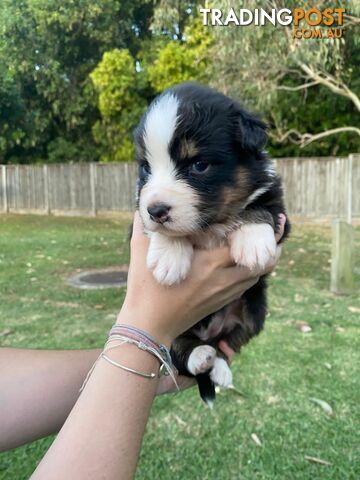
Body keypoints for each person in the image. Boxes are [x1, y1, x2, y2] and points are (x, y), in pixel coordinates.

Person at [0, 213, 286, 479]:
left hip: (223, 320)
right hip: (186, 329)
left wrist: (156, 371)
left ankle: (213, 355)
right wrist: (145, 331)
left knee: (250, 317)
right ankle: (194, 352)